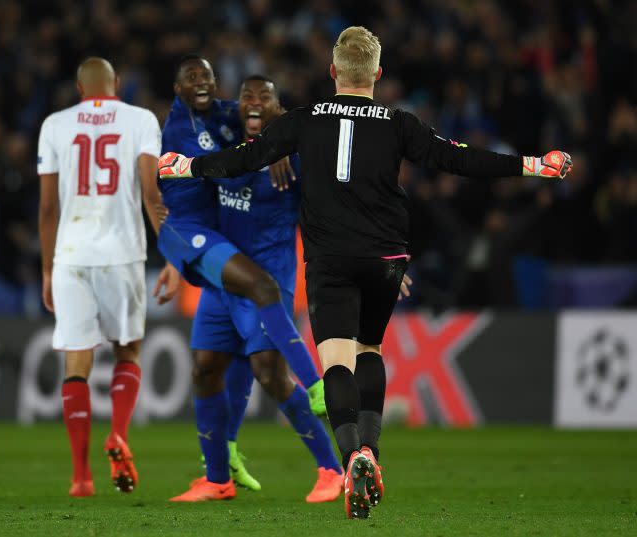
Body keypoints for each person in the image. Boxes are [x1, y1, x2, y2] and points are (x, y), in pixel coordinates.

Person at [158, 26, 573, 519]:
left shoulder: (306, 118)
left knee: (336, 364)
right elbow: (456, 159)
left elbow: (245, 158)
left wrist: (186, 167)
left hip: (330, 261)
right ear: (377, 73)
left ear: (333, 72)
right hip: (386, 260)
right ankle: (371, 454)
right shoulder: (399, 122)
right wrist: (533, 165)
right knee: (370, 349)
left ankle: (351, 452)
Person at [171, 76, 345, 503]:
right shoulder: (225, 147)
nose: (253, 103)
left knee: (269, 372)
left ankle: (331, 469)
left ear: (277, 109)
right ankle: (217, 479)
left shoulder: (294, 160)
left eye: (263, 97)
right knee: (205, 368)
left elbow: (324, 213)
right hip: (222, 278)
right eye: (247, 96)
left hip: (267, 284)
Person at [38, 57, 166, 497]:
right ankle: (119, 435)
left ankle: (80, 477)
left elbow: (48, 209)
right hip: (122, 254)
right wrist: (172, 255)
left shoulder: (54, 124)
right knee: (127, 351)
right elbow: (152, 194)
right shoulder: (141, 120)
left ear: (79, 87)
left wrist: (47, 270)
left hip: (71, 256)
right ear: (117, 84)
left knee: (76, 361)